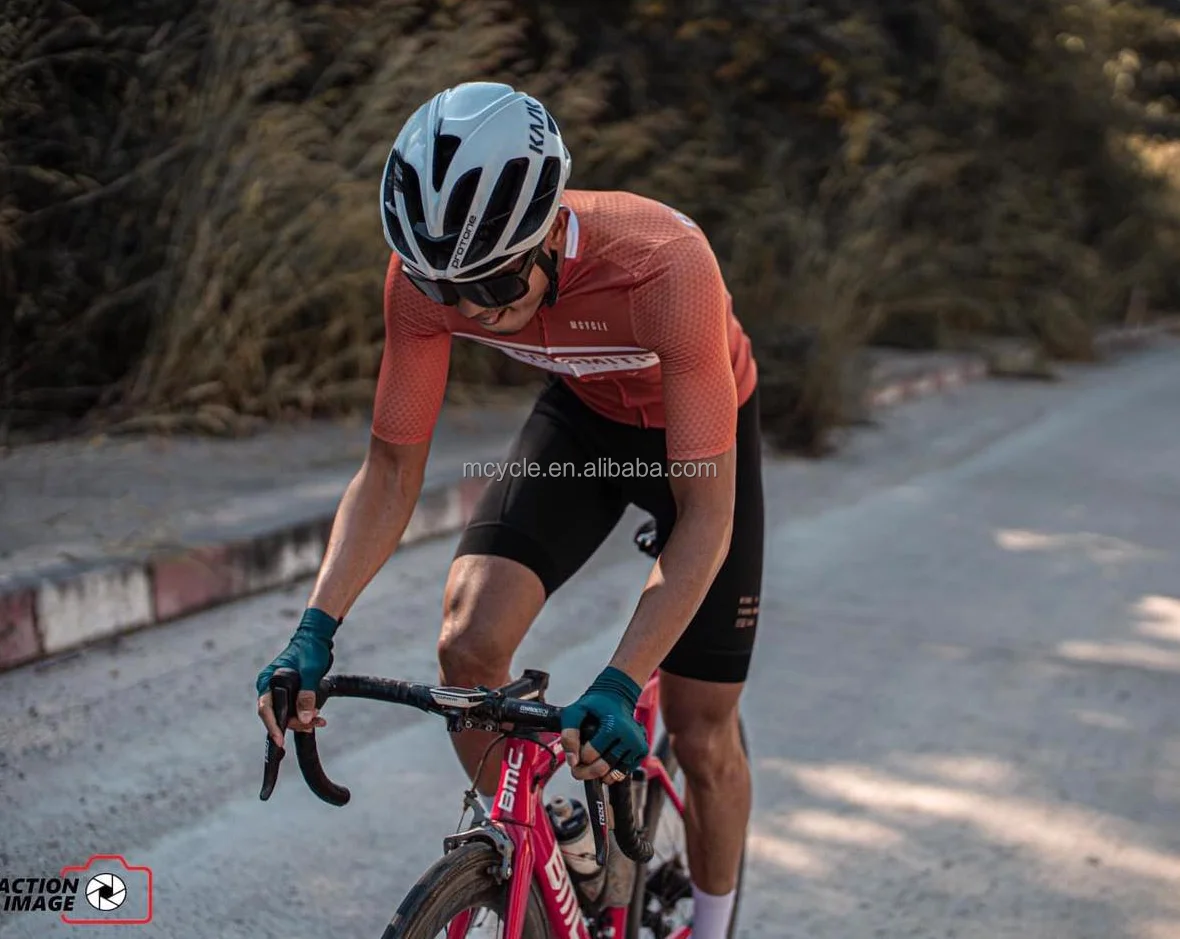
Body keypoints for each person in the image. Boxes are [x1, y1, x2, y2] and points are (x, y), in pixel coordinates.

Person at [256, 81, 763, 938]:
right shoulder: (429, 282)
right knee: (467, 642)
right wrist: (315, 625)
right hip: (583, 417)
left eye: (491, 279)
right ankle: (546, 846)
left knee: (700, 726)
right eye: (444, 286)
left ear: (544, 234)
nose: (470, 309)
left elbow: (705, 518)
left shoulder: (666, 264)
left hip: (699, 432)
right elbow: (388, 472)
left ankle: (711, 928)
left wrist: (618, 677)